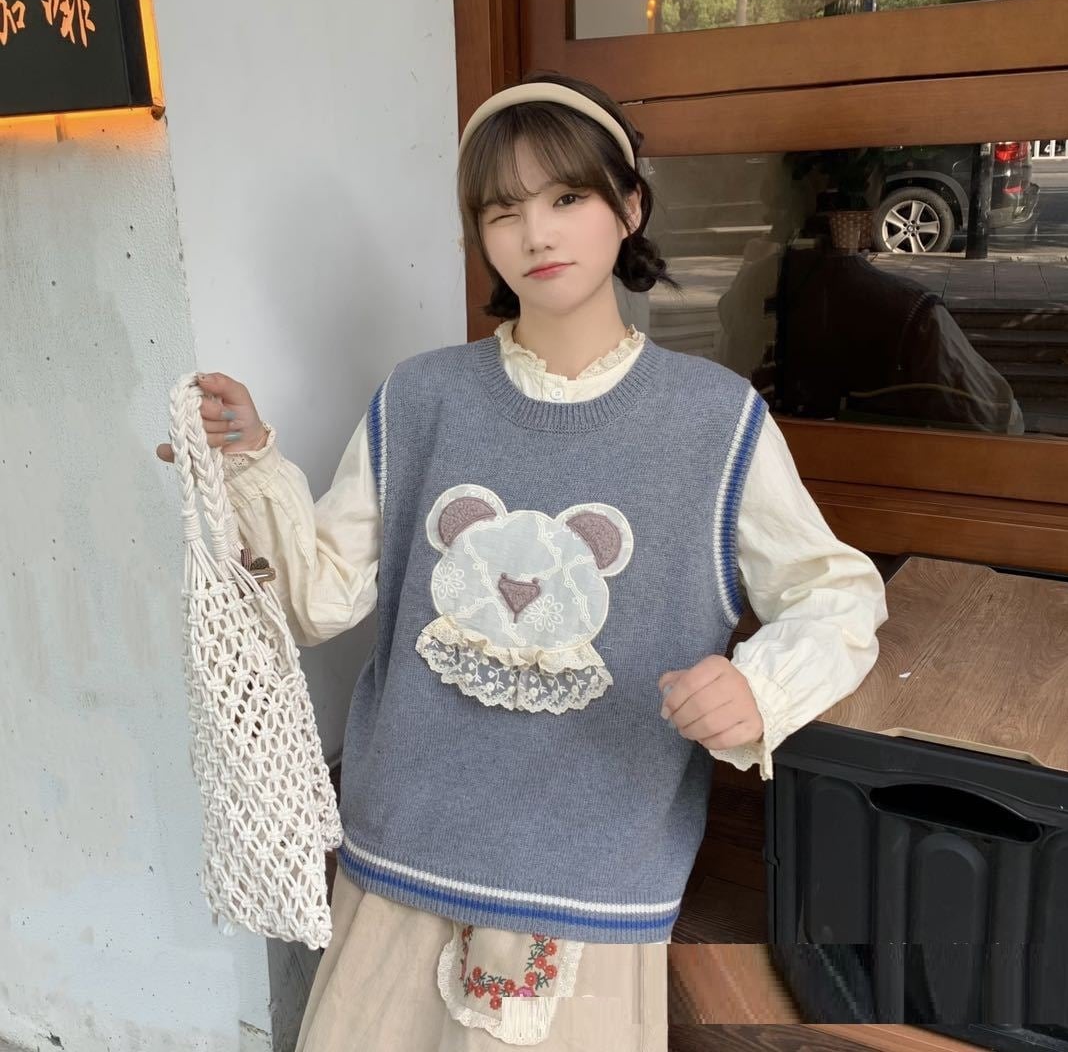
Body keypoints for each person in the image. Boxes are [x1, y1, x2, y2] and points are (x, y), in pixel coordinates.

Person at [157, 72, 887, 1050]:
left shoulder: (716, 423)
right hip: (402, 856)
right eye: (503, 211)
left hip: (593, 882)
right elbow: (318, 599)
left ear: (630, 206)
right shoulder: (420, 400)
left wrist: (762, 688)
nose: (536, 233)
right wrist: (250, 462)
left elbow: (837, 593)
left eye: (568, 197)